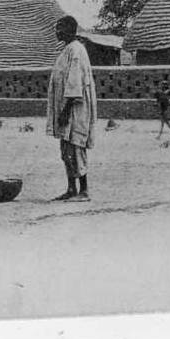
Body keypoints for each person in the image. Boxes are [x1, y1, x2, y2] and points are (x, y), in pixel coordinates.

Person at [46, 16, 97, 202]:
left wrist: (65, 110)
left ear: (69, 29)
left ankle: (84, 190)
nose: (56, 32)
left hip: (75, 109)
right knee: (66, 149)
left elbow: (75, 83)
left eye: (59, 28)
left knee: (76, 146)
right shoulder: (67, 50)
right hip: (67, 108)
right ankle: (71, 189)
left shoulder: (76, 50)